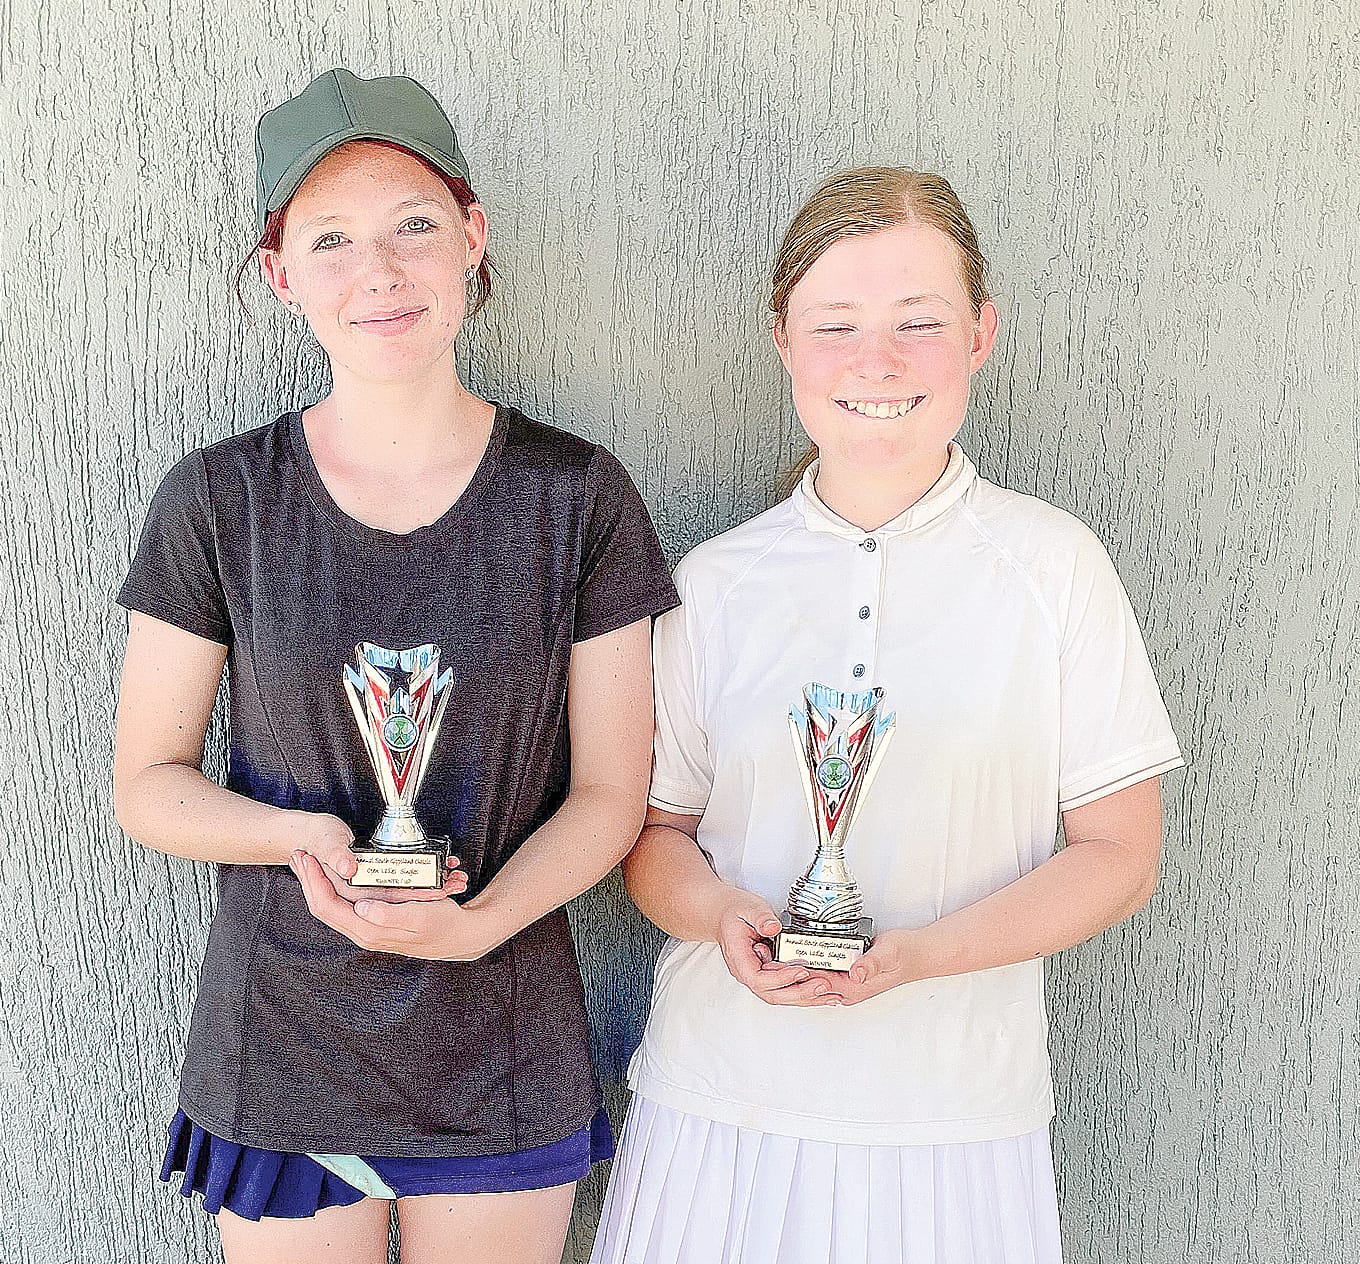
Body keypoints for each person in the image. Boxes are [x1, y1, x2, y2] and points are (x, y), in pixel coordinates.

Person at [113, 68, 678, 1264]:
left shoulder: (576, 495)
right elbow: (148, 782)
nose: (380, 270)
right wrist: (299, 835)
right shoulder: (220, 500)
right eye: (331, 240)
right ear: (281, 276)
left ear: (472, 238)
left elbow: (610, 795)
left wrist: (481, 924)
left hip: (503, 1044)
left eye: (414, 225)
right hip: (285, 1046)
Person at [590, 167, 1185, 1264]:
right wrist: (722, 914)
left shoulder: (1055, 568)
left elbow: (1118, 855)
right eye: (837, 325)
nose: (878, 361)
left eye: (920, 322)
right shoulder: (714, 582)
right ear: (782, 340)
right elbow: (652, 838)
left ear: (981, 334)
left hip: (954, 1118)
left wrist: (919, 955)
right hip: (720, 1106)